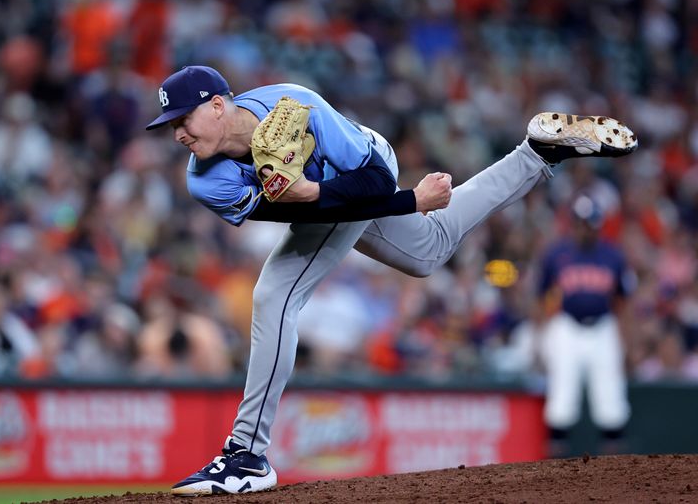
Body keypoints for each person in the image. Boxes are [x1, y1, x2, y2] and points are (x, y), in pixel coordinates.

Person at [145, 65, 638, 495]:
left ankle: (246, 453)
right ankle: (537, 153)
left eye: (181, 120)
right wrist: (403, 203)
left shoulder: (297, 103)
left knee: (274, 296)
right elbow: (294, 213)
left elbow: (374, 184)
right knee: (429, 250)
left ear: (215, 106)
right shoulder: (204, 179)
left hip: (366, 164)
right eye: (170, 126)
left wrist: (406, 199)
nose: (178, 135)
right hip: (326, 196)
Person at [538, 194, 634, 458]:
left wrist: (628, 340)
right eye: (580, 223)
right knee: (561, 397)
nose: (584, 228)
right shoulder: (557, 253)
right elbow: (540, 295)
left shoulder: (613, 254)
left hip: (603, 327)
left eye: (589, 223)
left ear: (598, 224)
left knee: (611, 397)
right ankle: (556, 465)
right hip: (567, 327)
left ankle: (614, 467)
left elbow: (624, 300)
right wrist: (540, 337)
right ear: (573, 224)